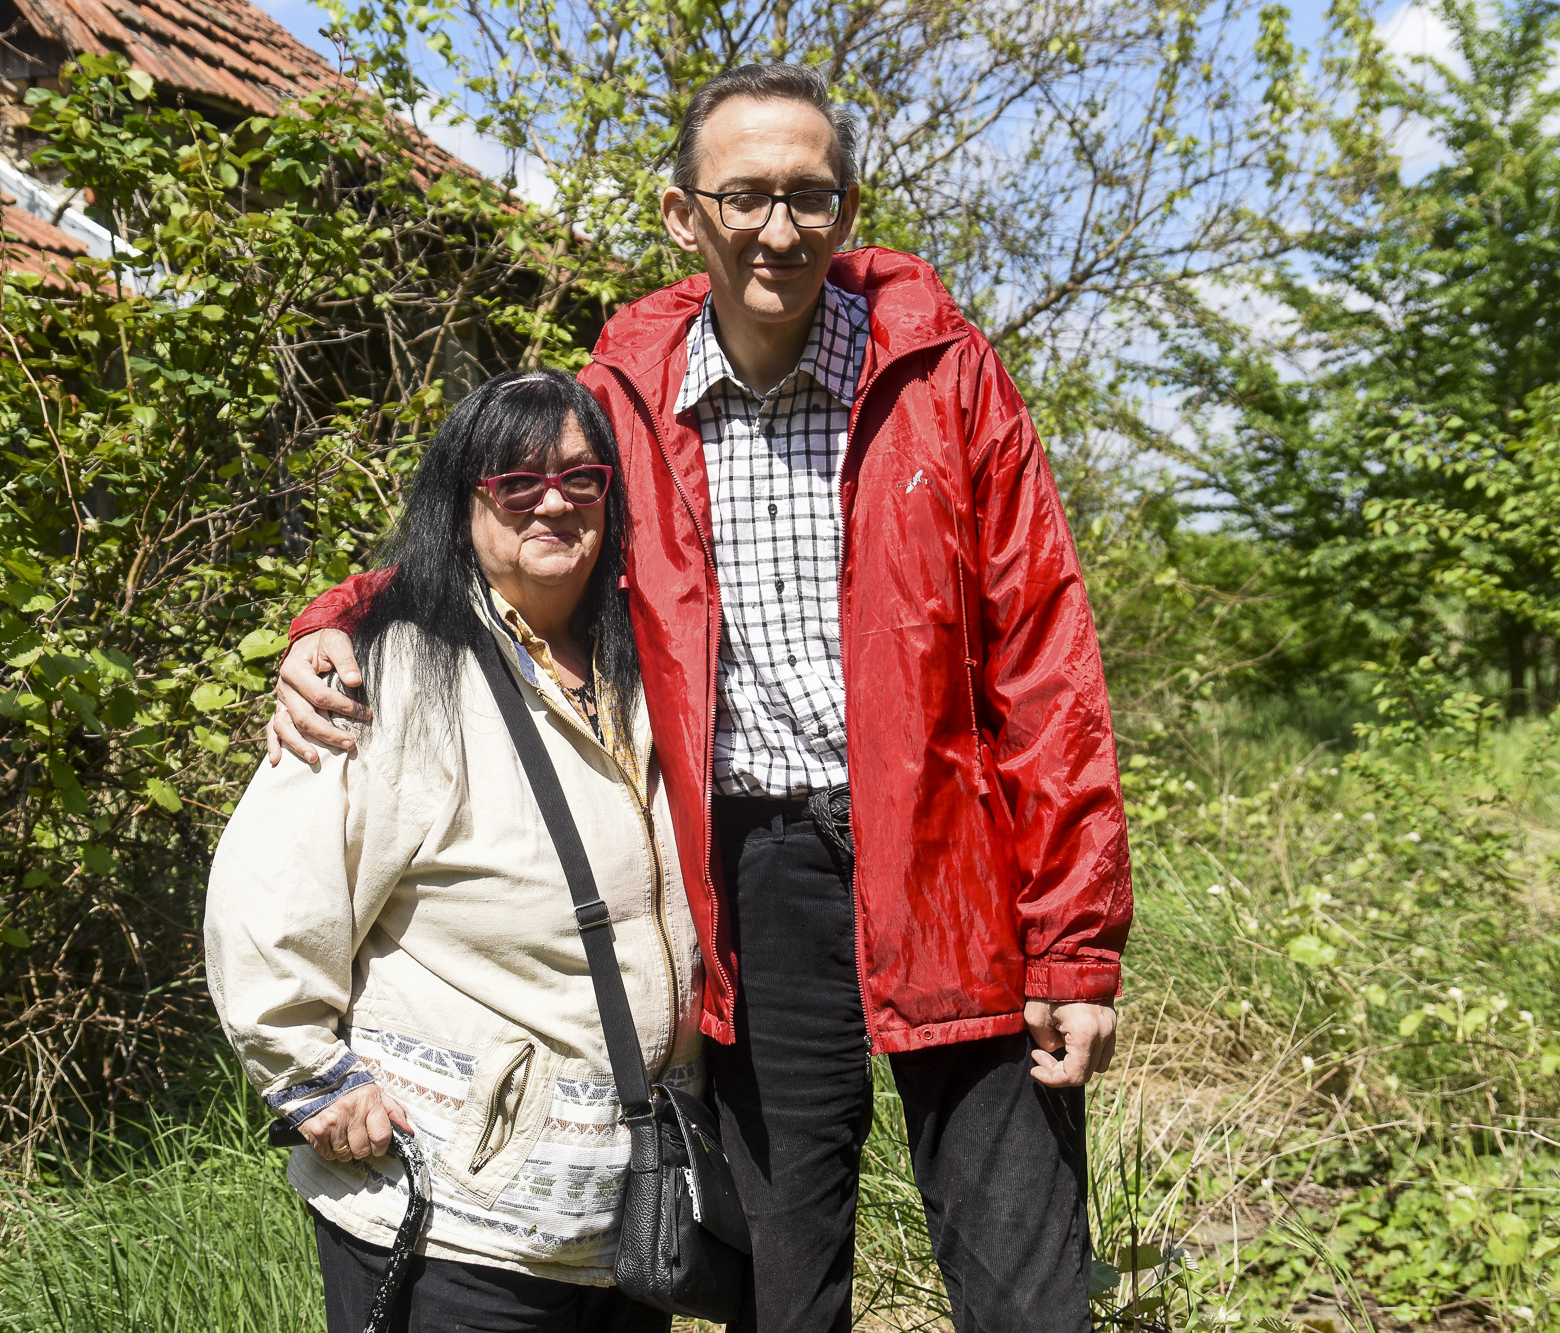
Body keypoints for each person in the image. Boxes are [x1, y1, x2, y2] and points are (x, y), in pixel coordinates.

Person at [269, 64, 1132, 1333]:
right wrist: (333, 621)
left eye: (807, 195)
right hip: (753, 875)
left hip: (957, 860)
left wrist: (1073, 940)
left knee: (1026, 1282)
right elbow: (502, 533)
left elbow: (1042, 657)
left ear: (844, 210)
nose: (777, 228)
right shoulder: (618, 398)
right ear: (685, 216)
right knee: (785, 1289)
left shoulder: (941, 378)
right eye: (745, 197)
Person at [206, 370, 703, 1332]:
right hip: (448, 1222)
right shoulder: (387, 673)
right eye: (515, 482)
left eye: (580, 478)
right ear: (460, 498)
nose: (552, 500)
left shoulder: (647, 665)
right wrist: (308, 1071)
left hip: (623, 1220)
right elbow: (268, 891)